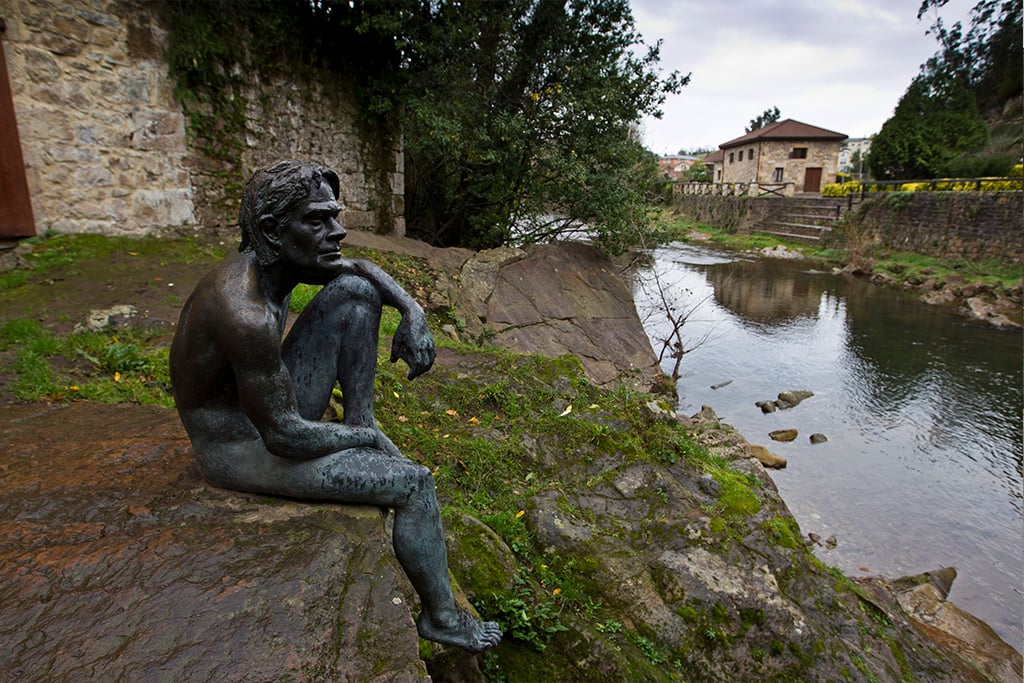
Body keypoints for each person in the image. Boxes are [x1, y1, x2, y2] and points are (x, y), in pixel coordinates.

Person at [169, 160, 502, 653]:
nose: (338, 230)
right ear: (271, 230)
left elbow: (360, 268)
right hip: (241, 446)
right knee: (413, 484)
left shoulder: (272, 262)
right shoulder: (244, 312)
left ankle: (359, 417)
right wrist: (366, 442)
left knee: (356, 291)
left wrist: (411, 310)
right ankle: (443, 620)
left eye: (335, 215)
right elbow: (283, 437)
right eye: (319, 220)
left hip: (262, 410)